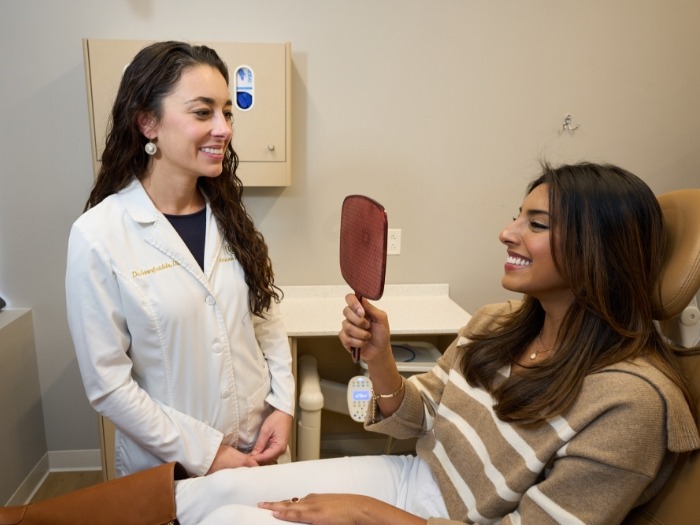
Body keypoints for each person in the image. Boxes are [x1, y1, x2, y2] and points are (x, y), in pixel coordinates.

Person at [170, 161, 699, 524]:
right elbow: (416, 421)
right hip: (415, 477)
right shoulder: (496, 324)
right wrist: (380, 362)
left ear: (600, 250)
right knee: (209, 495)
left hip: (443, 516)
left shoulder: (630, 403)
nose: (507, 232)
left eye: (534, 223)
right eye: (517, 215)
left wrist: (365, 512)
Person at [65, 41, 294, 478]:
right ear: (148, 123)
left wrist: (282, 405)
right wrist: (208, 453)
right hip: (171, 466)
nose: (224, 127)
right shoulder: (98, 235)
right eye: (203, 112)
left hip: (257, 446)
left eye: (227, 112)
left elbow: (265, 319)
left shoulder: (230, 218)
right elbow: (108, 385)